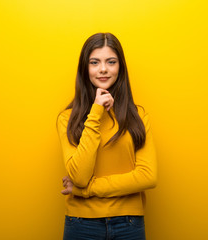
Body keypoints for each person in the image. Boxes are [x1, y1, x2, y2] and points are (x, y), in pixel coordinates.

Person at [56, 32, 157, 240]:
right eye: (95, 62)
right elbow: (80, 176)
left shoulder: (138, 115)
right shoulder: (67, 119)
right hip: (81, 224)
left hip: (129, 223)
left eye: (111, 62)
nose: (103, 69)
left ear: (120, 67)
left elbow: (148, 176)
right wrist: (95, 112)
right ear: (85, 68)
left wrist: (86, 190)